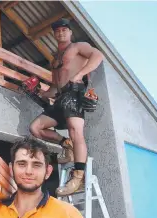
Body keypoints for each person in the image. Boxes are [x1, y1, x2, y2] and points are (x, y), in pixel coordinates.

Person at [29, 18, 104, 196]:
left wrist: (80, 74)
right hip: (61, 97)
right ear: (54, 35)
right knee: (35, 128)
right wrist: (39, 92)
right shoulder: (55, 60)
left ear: (70, 32)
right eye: (57, 31)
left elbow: (98, 55)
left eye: (64, 30)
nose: (61, 33)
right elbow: (54, 88)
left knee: (75, 130)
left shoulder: (78, 46)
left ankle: (78, 177)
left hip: (75, 93)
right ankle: (66, 145)